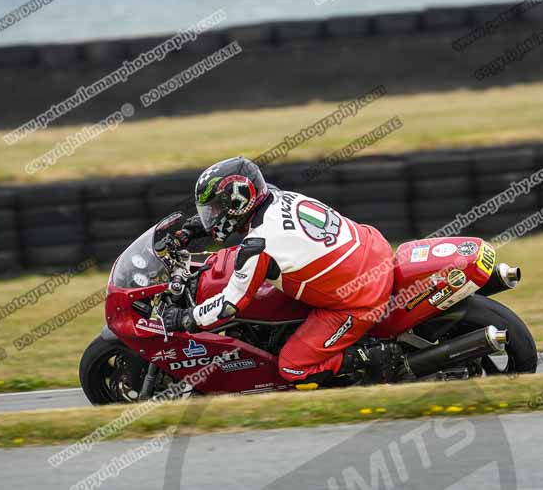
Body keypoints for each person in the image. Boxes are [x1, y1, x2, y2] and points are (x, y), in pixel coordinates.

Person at [164, 156, 400, 385]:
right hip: (372, 245)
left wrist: (187, 318)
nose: (211, 216)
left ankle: (372, 356)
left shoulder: (259, 246)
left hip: (362, 295)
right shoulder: (274, 195)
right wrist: (197, 228)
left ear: (238, 201)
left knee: (291, 366)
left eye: (215, 209)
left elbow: (228, 305)